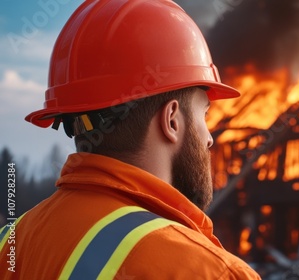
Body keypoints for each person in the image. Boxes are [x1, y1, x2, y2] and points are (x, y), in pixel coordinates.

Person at [0, 0, 261, 279]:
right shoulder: (212, 272)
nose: (209, 139)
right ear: (172, 120)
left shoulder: (11, 245)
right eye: (204, 115)